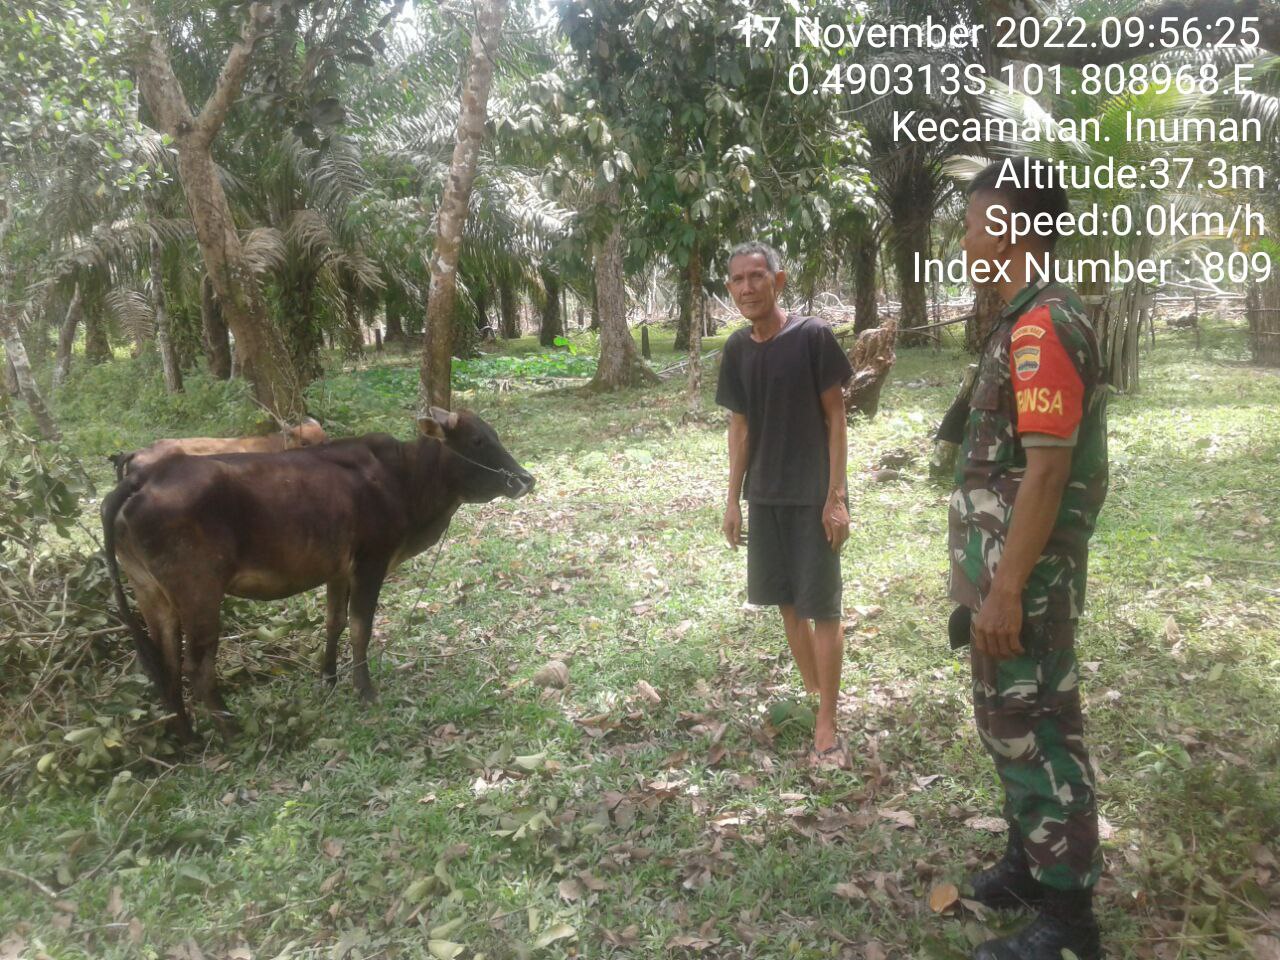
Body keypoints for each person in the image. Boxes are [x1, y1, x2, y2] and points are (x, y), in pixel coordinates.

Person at [946, 159, 1109, 960]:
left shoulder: (1043, 325)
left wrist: (1007, 588)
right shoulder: (1017, 318)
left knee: (1041, 730)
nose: (968, 236)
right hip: (1001, 575)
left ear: (1013, 229)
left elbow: (1047, 470)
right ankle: (1028, 861)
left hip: (1028, 581)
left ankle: (1069, 922)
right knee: (1007, 726)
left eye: (976, 221)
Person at [715, 241, 854, 770]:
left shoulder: (813, 336)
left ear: (779, 279)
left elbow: (836, 419)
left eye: (756, 276)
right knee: (787, 603)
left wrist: (836, 497)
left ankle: (827, 720)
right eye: (737, 280)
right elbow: (741, 428)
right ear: (729, 288)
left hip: (813, 493)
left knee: (822, 605)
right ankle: (819, 693)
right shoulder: (737, 348)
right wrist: (732, 499)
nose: (747, 288)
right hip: (765, 494)